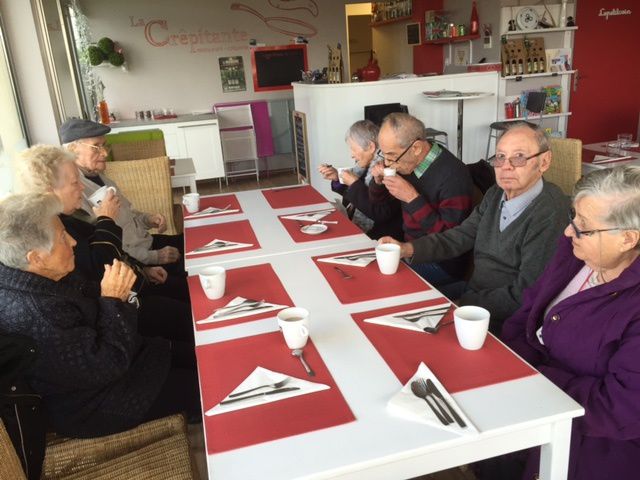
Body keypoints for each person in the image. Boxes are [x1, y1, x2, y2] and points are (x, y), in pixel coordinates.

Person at [0, 194, 200, 438]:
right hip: (101, 401)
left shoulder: (36, 273)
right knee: (208, 386)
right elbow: (108, 363)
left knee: (205, 355)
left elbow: (90, 292)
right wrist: (114, 300)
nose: (73, 242)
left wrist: (120, 290)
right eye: (63, 237)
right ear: (36, 257)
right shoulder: (36, 314)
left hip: (131, 358)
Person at [500, 166, 640, 480]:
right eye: (572, 217)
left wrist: (529, 377)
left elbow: (620, 408)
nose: (568, 231)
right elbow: (529, 309)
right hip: (530, 404)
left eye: (584, 227)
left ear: (628, 239)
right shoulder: (577, 253)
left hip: (592, 448)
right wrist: (506, 362)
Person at [379, 122, 569, 333]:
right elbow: (460, 236)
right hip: (473, 296)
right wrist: (407, 249)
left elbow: (525, 294)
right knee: (392, 304)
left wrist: (463, 304)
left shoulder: (549, 212)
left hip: (503, 322)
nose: (506, 166)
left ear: (544, 161)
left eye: (519, 157)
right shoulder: (496, 194)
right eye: (500, 157)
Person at [14, 144, 193, 342]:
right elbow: (99, 267)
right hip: (123, 312)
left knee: (190, 292)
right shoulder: (52, 234)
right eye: (75, 183)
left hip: (135, 285)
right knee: (189, 310)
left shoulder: (69, 217)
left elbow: (115, 255)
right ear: (49, 191)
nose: (81, 188)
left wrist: (144, 269)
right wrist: (106, 219)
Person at [59, 118, 183, 271]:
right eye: (96, 147)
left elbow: (126, 216)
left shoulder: (101, 177)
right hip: (137, 261)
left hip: (145, 243)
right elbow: (110, 246)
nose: (104, 153)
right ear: (72, 150)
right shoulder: (76, 196)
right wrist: (155, 257)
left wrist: (147, 219)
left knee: (192, 240)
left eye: (104, 145)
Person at [370, 112, 473, 286]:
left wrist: (412, 198)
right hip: (409, 249)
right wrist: (378, 183)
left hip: (442, 264)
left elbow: (450, 241)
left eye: (391, 156)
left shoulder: (453, 176)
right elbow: (381, 210)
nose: (387, 163)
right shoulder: (407, 164)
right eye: (384, 155)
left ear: (416, 148)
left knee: (378, 283)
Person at [318, 120, 402, 240]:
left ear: (371, 147)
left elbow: (380, 213)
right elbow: (354, 197)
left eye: (353, 149)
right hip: (360, 229)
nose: (351, 155)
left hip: (380, 237)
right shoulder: (364, 166)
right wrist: (337, 177)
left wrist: (354, 183)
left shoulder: (387, 169)